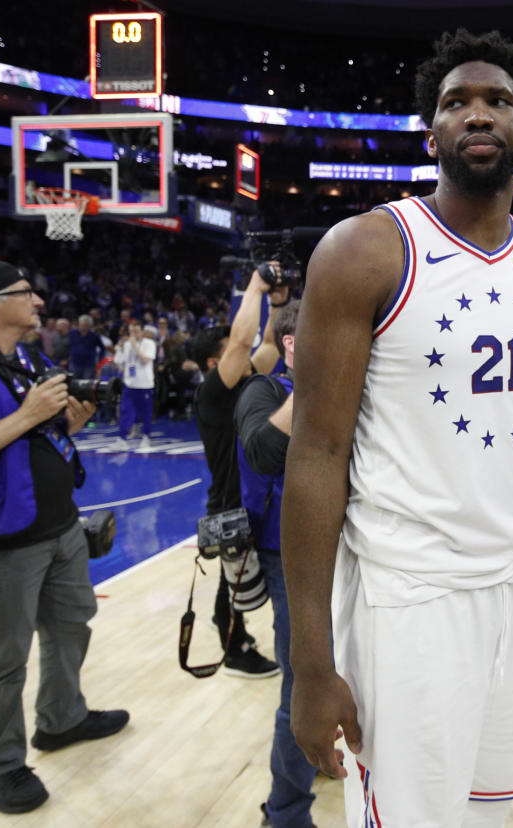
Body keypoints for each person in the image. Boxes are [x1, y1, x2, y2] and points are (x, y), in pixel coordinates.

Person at [281, 30, 513, 828]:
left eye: (498, 101)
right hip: (407, 597)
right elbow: (316, 455)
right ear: (431, 132)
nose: (478, 113)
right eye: (456, 103)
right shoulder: (366, 249)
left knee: (492, 812)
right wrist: (310, 664)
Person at [0, 262, 128, 815]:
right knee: (4, 660)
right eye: (25, 293)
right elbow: (20, 425)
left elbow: (39, 436)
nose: (39, 301)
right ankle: (2, 766)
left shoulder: (29, 357)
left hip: (60, 523)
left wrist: (68, 422)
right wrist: (29, 414)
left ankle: (62, 718)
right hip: (6, 538)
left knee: (71, 625)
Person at [233, 301, 315, 828]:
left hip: (352, 551)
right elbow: (262, 450)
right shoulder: (262, 391)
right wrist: (313, 379)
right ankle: (284, 812)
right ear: (291, 344)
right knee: (301, 682)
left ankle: (323, 756)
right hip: (288, 556)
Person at [192, 270, 286, 680]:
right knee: (237, 587)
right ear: (215, 363)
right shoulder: (212, 394)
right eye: (230, 349)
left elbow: (266, 343)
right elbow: (246, 341)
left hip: (252, 497)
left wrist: (279, 304)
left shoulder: (249, 377)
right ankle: (234, 650)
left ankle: (232, 640)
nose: (240, 351)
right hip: (231, 503)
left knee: (235, 585)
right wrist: (255, 286)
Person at [111, 322, 156, 451]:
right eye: (131, 332)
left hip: (145, 384)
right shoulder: (126, 344)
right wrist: (119, 348)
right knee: (125, 411)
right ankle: (122, 439)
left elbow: (145, 360)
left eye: (136, 331)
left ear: (142, 332)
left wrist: (135, 345)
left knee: (146, 413)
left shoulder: (149, 343)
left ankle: (146, 438)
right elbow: (119, 362)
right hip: (130, 384)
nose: (133, 335)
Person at [67, 315, 102, 381]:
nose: (82, 326)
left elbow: (102, 348)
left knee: (86, 384)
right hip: (74, 363)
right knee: (74, 383)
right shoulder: (72, 333)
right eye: (81, 324)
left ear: (89, 326)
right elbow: (66, 345)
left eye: (85, 325)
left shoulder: (94, 336)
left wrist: (99, 360)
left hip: (88, 365)